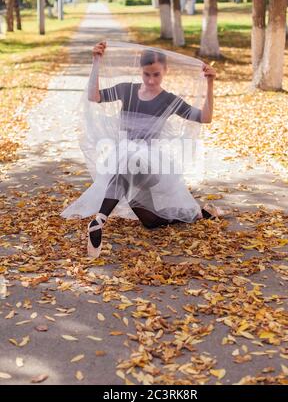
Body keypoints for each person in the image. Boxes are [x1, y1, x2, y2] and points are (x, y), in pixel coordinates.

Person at [84, 41, 219, 258]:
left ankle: (99, 220)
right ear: (141, 71)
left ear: (165, 71)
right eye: (147, 74)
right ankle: (199, 214)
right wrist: (96, 61)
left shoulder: (168, 100)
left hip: (152, 166)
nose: (151, 80)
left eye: (156, 75)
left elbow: (205, 118)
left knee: (129, 162)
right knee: (151, 221)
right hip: (126, 160)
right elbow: (94, 96)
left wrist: (210, 84)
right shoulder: (126, 89)